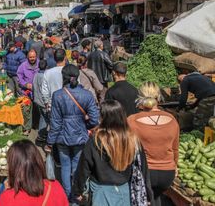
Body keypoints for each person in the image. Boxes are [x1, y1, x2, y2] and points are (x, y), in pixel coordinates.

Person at [74, 100, 152, 205]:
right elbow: (143, 168)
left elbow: (83, 168)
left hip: (100, 193)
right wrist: (148, 194)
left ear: (105, 118)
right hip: (125, 192)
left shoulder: (96, 140)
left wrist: (77, 191)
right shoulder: (132, 139)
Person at [45, 64, 99, 201]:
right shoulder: (87, 95)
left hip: (62, 137)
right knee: (77, 167)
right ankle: (76, 196)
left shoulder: (57, 95)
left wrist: (50, 142)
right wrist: (84, 124)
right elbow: (94, 119)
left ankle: (67, 197)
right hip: (80, 137)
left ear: (63, 77)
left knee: (65, 166)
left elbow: (55, 122)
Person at [128, 81, 179, 206]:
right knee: (156, 198)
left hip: (144, 173)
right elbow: (175, 149)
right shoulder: (172, 119)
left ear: (139, 98)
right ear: (158, 97)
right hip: (167, 174)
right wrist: (175, 166)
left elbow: (127, 149)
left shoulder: (131, 120)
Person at [0, 139, 68, 206]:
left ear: (14, 168)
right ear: (38, 161)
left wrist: (5, 192)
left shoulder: (7, 198)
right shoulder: (55, 187)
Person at [33, 60, 49, 146]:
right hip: (43, 102)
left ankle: (42, 134)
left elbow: (34, 87)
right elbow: (46, 91)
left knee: (42, 117)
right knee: (45, 119)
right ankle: (41, 136)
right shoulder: (45, 77)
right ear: (46, 67)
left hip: (37, 100)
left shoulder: (36, 75)